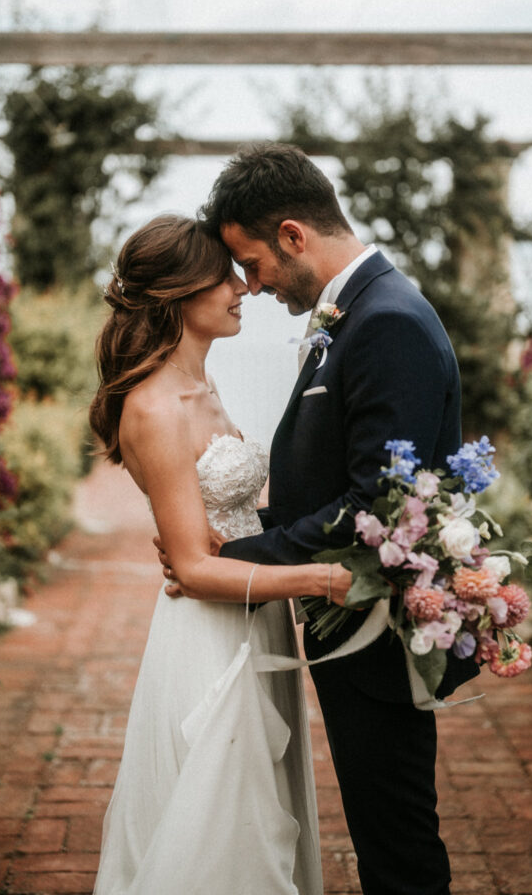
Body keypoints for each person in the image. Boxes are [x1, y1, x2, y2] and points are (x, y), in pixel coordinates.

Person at [159, 144, 480, 895]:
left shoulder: (386, 320)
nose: (249, 284)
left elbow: (374, 502)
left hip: (375, 627)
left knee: (395, 834)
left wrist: (242, 553)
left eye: (252, 262)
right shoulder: (360, 309)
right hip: (350, 614)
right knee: (382, 824)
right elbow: (346, 475)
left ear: (293, 236)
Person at [88, 213, 351, 895]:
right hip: (210, 628)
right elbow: (195, 567)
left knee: (259, 802)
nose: (242, 287)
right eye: (221, 277)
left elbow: (219, 528)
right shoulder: (154, 407)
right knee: (225, 823)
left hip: (252, 610)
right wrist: (320, 577)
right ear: (177, 293)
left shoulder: (201, 387)